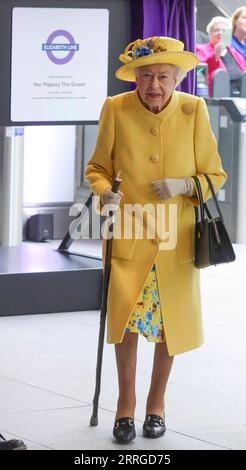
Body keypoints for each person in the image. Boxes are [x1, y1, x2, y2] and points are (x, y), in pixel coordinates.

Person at [85, 36, 227, 444]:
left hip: (175, 238)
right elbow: (97, 166)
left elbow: (216, 175)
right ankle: (124, 407)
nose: (154, 85)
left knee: (170, 327)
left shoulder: (193, 109)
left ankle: (156, 405)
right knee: (125, 324)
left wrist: (184, 183)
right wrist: (103, 191)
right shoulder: (116, 108)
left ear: (177, 78)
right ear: (136, 78)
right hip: (129, 234)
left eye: (163, 77)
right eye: (146, 76)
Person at [196, 16, 246, 96]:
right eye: (216, 30)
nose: (220, 32)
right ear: (210, 33)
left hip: (240, 95)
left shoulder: (234, 52)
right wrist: (215, 55)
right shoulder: (201, 49)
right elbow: (200, 71)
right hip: (217, 95)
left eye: (224, 30)